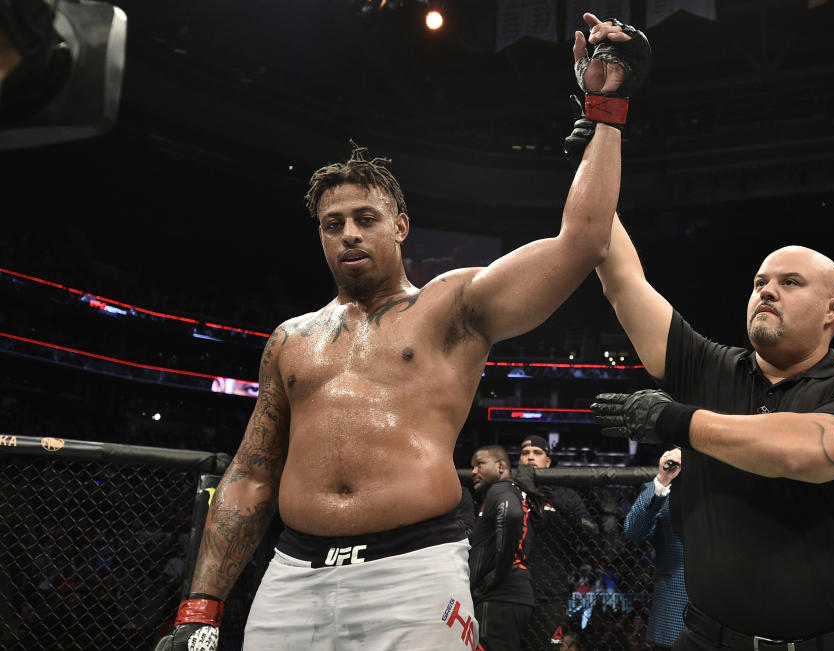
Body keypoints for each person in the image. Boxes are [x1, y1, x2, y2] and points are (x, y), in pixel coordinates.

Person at [156, 13, 649, 650]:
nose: (350, 234)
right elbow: (251, 475)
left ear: (401, 227)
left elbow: (580, 243)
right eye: (333, 224)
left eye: (366, 217)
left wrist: (605, 112)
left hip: (413, 574)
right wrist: (201, 606)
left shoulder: (452, 308)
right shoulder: (290, 340)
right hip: (290, 575)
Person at [590, 215, 834, 649]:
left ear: (832, 309)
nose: (767, 290)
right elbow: (621, 280)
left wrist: (675, 420)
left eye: (791, 282)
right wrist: (599, 155)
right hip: (706, 638)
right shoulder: (707, 366)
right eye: (760, 281)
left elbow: (799, 453)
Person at [517, 435, 599, 649]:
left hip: (551, 591)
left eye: (537, 453)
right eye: (525, 453)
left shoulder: (565, 494)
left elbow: (592, 534)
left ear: (548, 461)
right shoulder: (509, 492)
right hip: (511, 590)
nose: (530, 458)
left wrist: (560, 505)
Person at [470, 445, 538, 650]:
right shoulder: (517, 490)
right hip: (513, 594)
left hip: (501, 595)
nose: (474, 471)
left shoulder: (500, 489)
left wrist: (497, 574)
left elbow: (510, 515)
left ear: (500, 467)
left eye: (480, 464)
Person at [623, 448, 686, 650]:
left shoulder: (727, 490)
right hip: (674, 617)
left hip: (725, 617)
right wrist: (662, 480)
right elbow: (633, 531)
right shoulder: (663, 492)